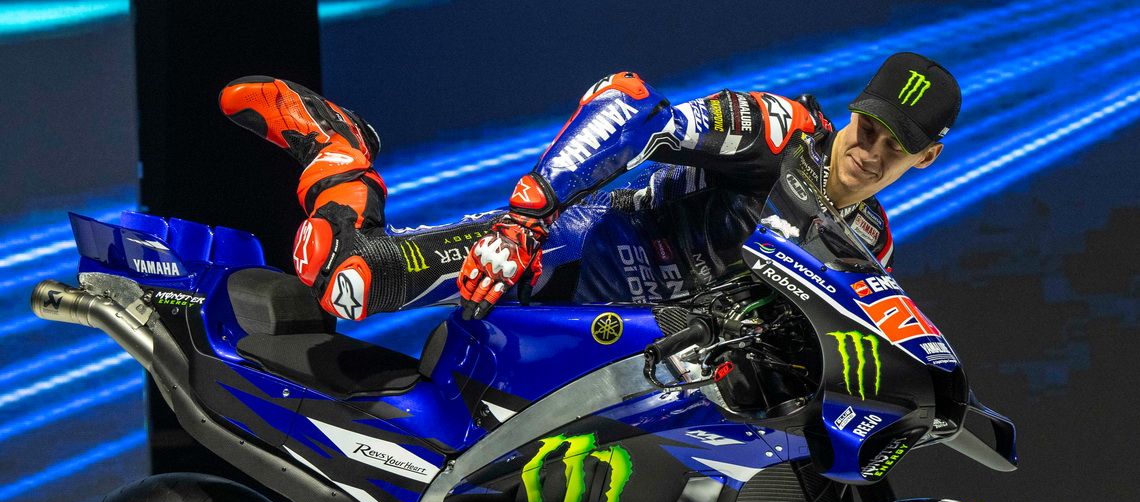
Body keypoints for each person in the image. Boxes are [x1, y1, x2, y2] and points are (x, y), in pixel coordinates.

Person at [218, 52, 959, 322]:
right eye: (868, 128)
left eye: (895, 147)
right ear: (855, 109)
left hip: (655, 370)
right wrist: (525, 221)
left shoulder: (870, 245)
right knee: (347, 280)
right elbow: (633, 108)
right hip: (570, 259)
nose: (869, 153)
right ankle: (337, 148)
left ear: (925, 159)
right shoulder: (781, 130)